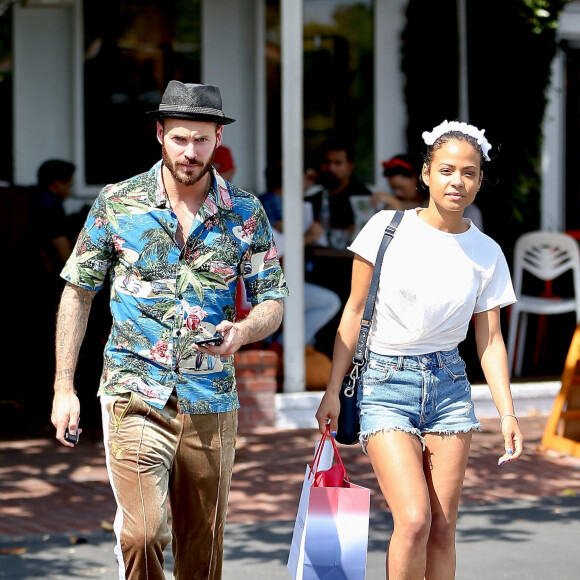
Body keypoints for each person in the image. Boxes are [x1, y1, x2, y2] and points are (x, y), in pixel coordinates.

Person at [50, 81, 288, 580]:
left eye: (201, 139)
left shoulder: (245, 212)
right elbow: (79, 291)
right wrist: (63, 387)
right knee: (142, 533)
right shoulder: (117, 203)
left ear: (218, 137)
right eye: (179, 138)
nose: (190, 151)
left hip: (211, 398)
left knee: (202, 551)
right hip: (133, 390)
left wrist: (243, 332)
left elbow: (272, 299)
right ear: (160, 134)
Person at [315, 120, 523, 580]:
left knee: (442, 529)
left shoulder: (486, 252)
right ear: (426, 174)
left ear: (479, 181)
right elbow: (352, 313)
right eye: (446, 169)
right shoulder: (385, 229)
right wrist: (332, 390)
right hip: (385, 382)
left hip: (449, 386)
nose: (457, 181)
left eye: (469, 173)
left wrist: (507, 413)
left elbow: (489, 340)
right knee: (413, 519)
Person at [259, 163, 342, 352]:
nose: (310, 178)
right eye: (306, 174)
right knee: (330, 302)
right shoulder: (269, 202)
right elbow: (277, 249)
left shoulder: (295, 202)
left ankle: (289, 348)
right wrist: (308, 237)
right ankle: (283, 349)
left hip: (292, 276)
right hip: (270, 283)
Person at [377, 153, 485, 230]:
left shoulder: (465, 210)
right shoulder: (390, 207)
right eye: (394, 189)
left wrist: (397, 206)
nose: (398, 193)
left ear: (420, 177)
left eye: (401, 187)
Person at [305, 137, 373, 249]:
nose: (331, 168)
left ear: (350, 166)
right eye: (326, 162)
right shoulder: (312, 196)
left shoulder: (362, 198)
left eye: (338, 163)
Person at [31, 159, 76, 277]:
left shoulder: (32, 198)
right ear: (56, 184)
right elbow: (66, 258)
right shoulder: (50, 207)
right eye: (69, 186)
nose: (69, 192)